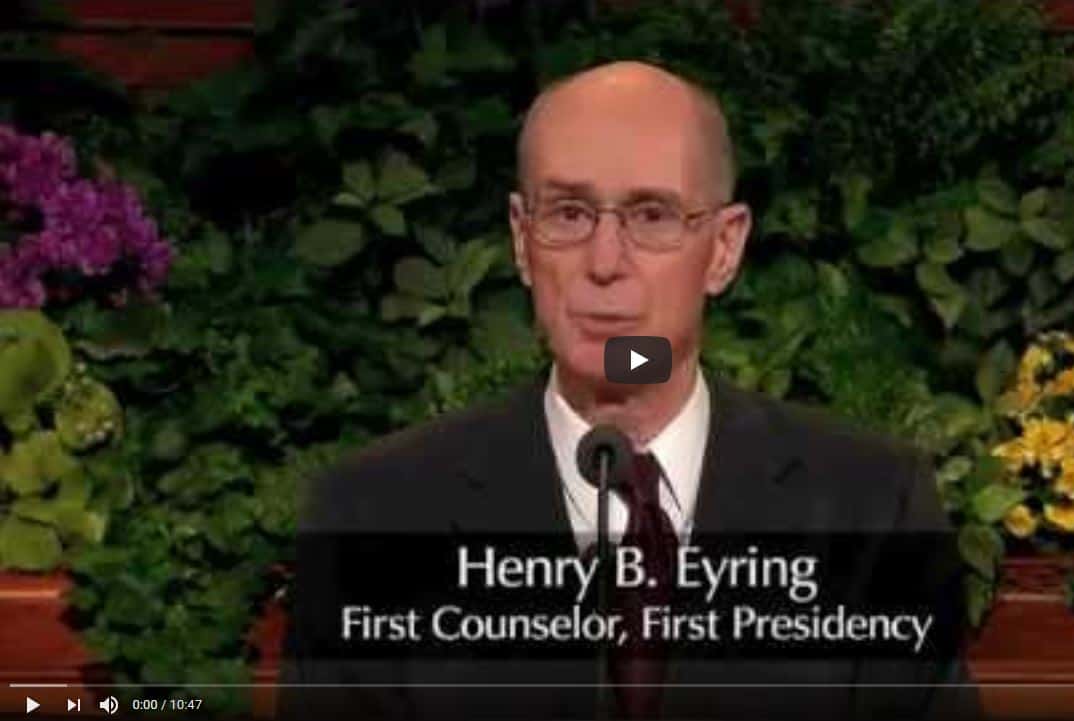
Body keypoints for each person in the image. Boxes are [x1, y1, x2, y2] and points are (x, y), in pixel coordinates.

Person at [280, 60, 979, 721]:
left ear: (724, 248)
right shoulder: (372, 517)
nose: (605, 263)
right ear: (522, 241)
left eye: (652, 215)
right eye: (569, 214)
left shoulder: (873, 506)